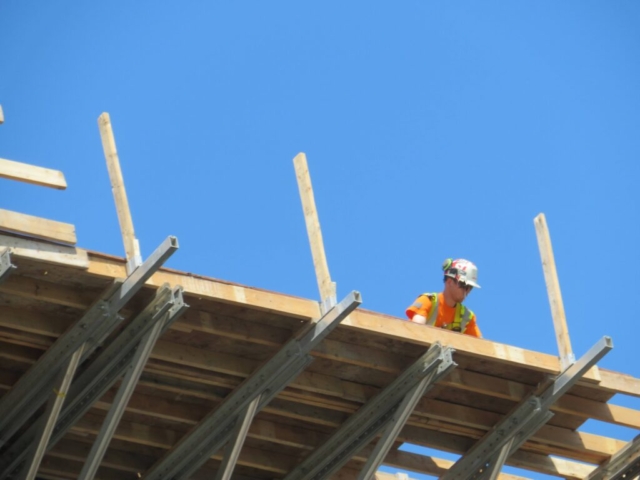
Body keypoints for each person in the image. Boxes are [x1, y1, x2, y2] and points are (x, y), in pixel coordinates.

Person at [405, 258, 482, 338]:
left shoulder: (467, 317)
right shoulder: (428, 301)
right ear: (449, 282)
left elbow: (481, 346)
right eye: (464, 285)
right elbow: (415, 330)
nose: (466, 291)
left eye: (470, 287)